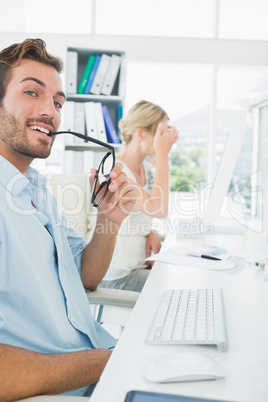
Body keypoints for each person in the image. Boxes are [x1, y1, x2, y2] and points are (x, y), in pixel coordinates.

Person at [0, 38, 137, 401]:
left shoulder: (36, 190)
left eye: (58, 103)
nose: (51, 111)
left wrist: (109, 218)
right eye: (32, 92)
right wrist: (106, 362)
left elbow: (85, 278)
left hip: (97, 370)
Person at [99, 100, 179, 292]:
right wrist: (162, 153)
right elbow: (158, 209)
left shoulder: (146, 170)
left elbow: (144, 211)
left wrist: (149, 232)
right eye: (160, 133)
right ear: (141, 133)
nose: (164, 139)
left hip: (138, 267)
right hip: (118, 275)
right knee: (180, 286)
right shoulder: (115, 170)